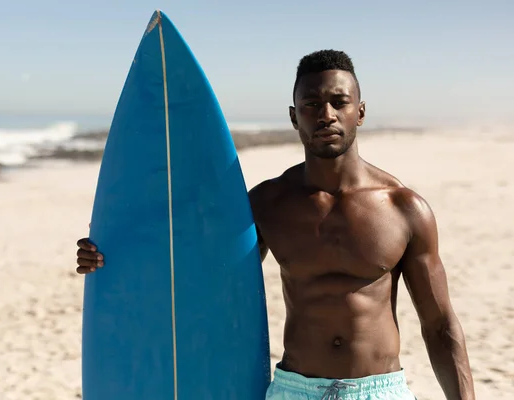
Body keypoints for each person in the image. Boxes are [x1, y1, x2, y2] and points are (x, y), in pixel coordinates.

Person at [75, 50, 475, 400]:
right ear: (293, 115)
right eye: (311, 104)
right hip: (294, 390)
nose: (326, 114)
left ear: (361, 111)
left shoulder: (404, 208)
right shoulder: (269, 203)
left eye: (339, 101)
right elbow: (199, 274)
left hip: (379, 389)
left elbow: (439, 325)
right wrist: (113, 256)